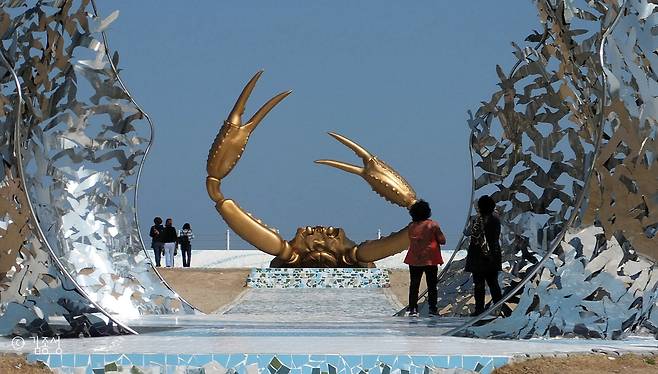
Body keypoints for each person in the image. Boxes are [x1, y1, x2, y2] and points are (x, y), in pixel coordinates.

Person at [403, 200, 446, 317]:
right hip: (430, 260)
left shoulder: (411, 226)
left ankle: (413, 308)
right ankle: (432, 309)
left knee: (414, 285)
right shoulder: (432, 225)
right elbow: (442, 240)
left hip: (414, 259)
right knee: (432, 286)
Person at [465, 195, 503, 316]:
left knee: (479, 284)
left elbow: (466, 232)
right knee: (493, 283)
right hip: (492, 255)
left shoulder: (475, 219)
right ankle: (498, 308)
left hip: (477, 255)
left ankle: (479, 309)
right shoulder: (496, 220)